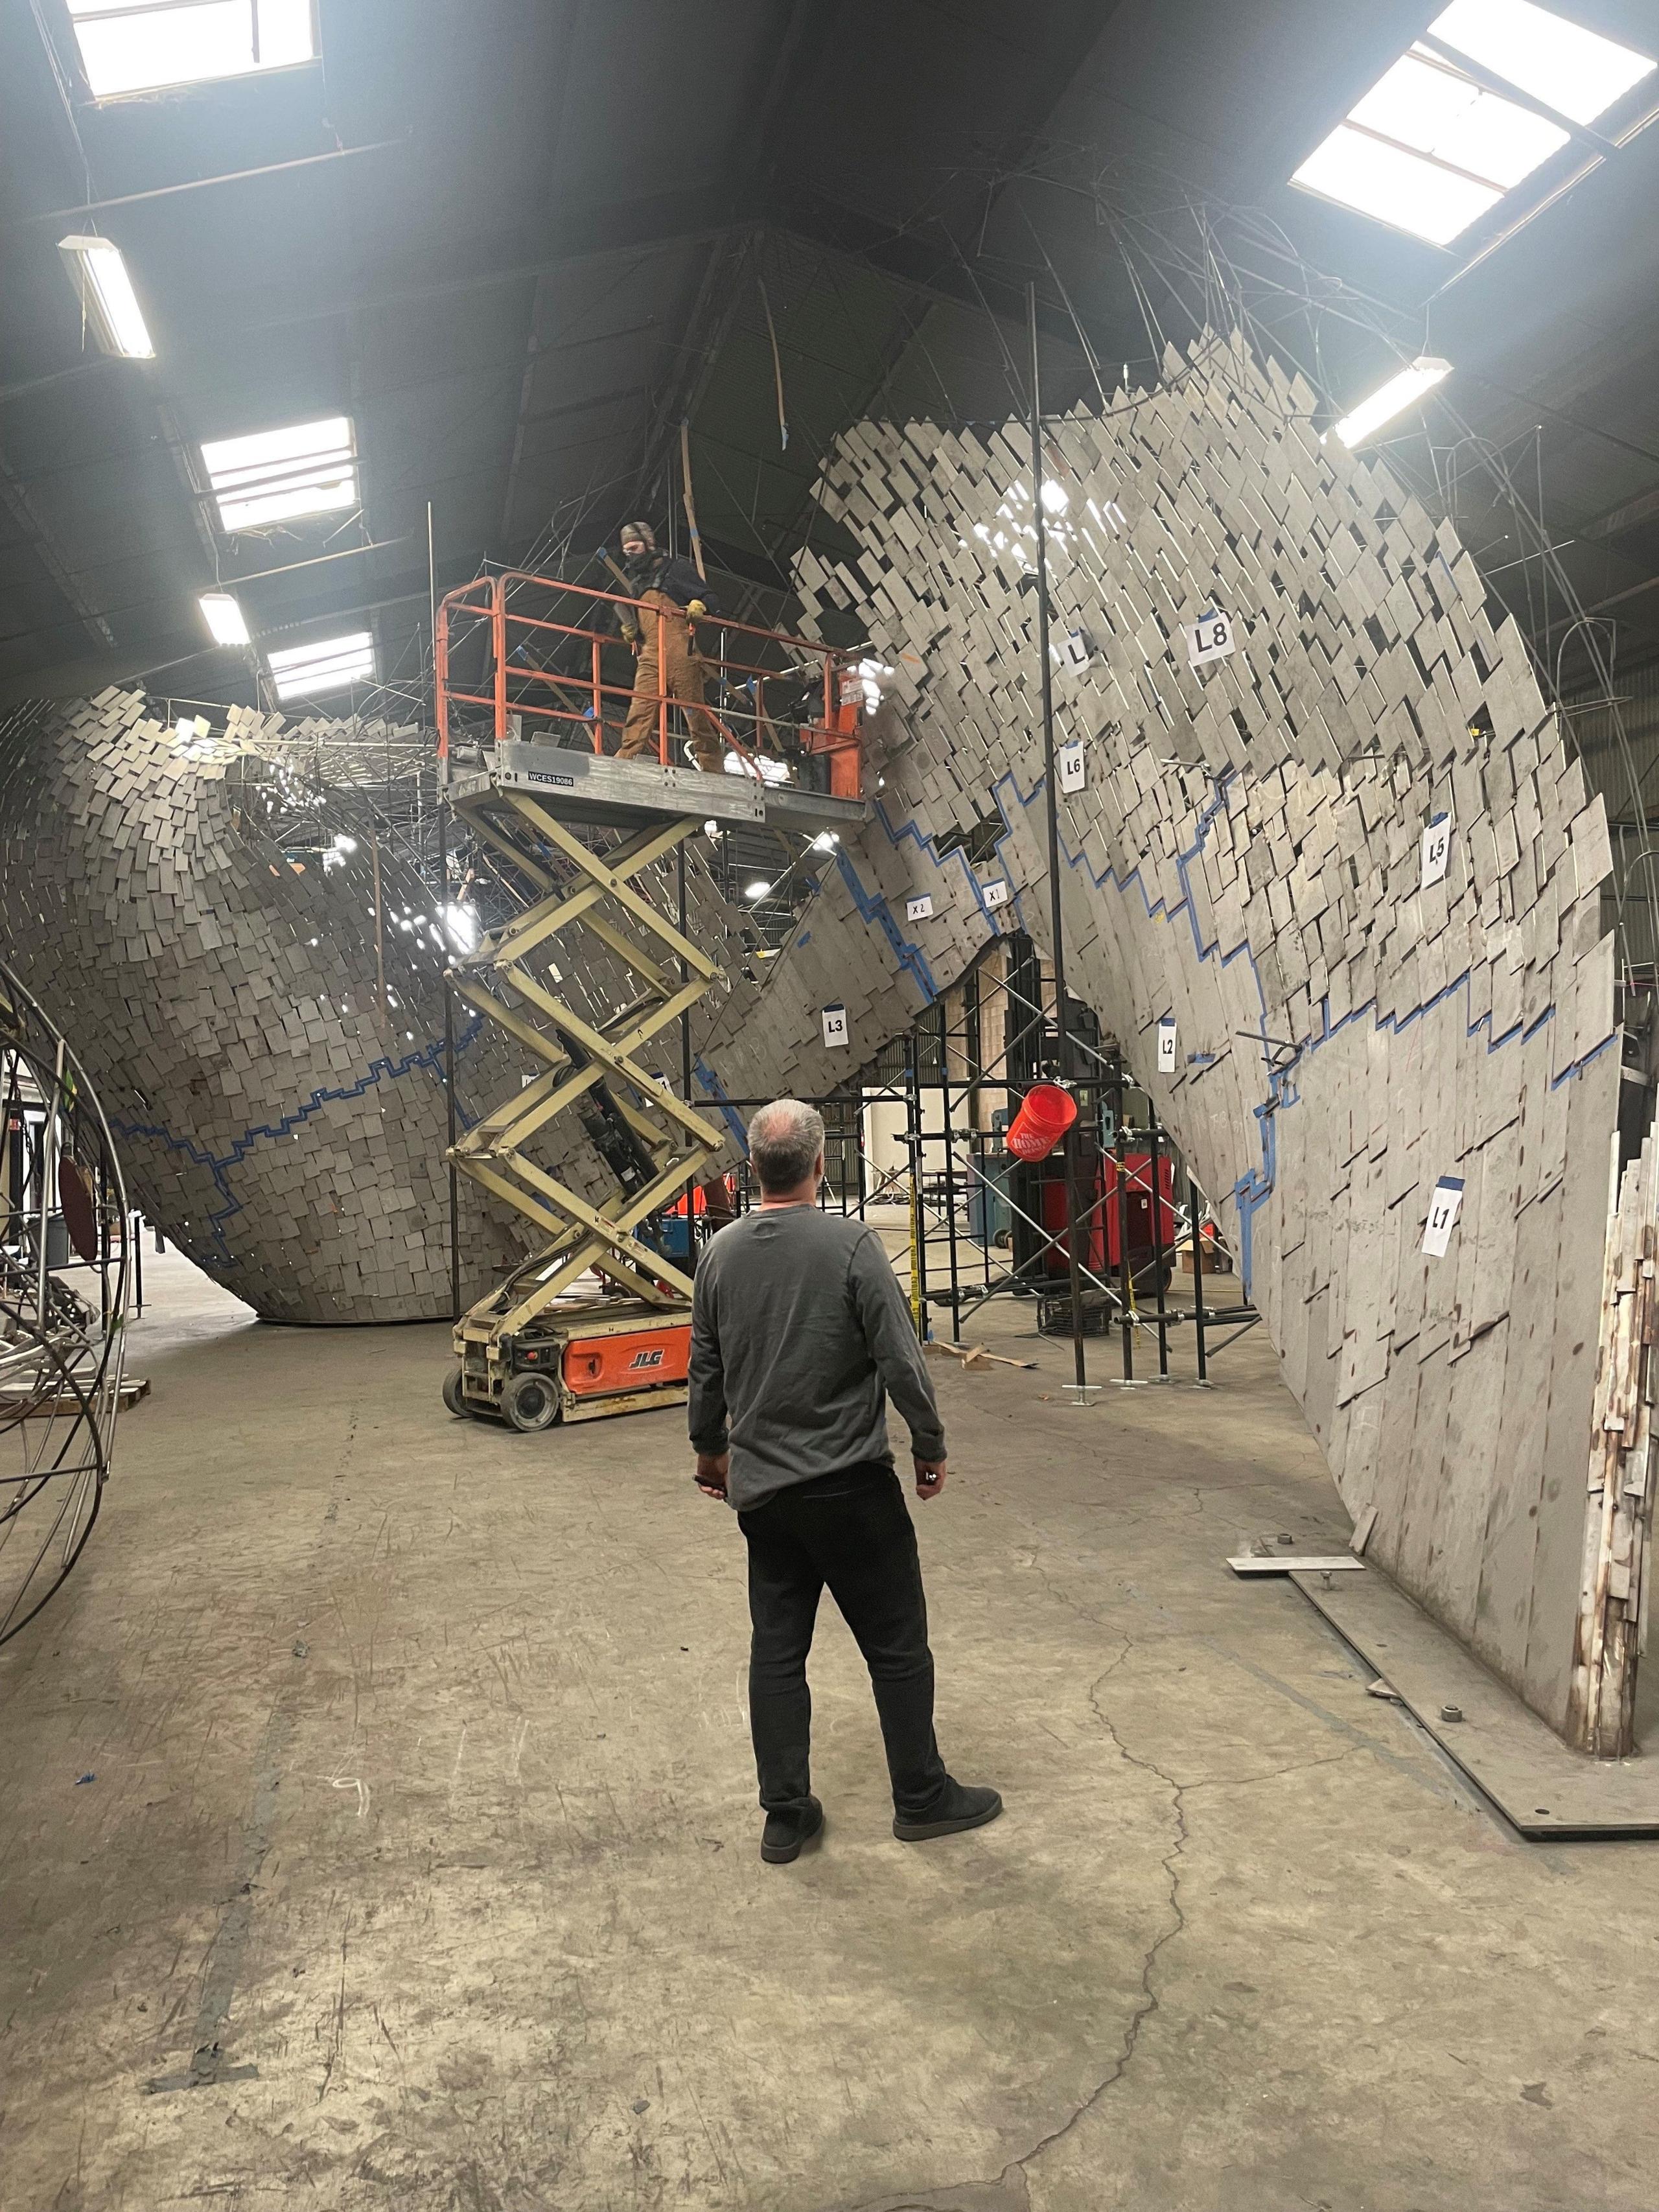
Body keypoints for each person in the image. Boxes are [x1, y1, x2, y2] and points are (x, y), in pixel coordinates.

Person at [688, 1097, 1003, 1865]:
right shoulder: (853, 1246)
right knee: (896, 1645)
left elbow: (706, 1367)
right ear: (821, 1164)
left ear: (753, 1168)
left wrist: (709, 1451)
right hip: (852, 1488)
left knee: (777, 1649)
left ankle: (785, 1814)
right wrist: (929, 1443)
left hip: (765, 1495)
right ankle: (922, 1797)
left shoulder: (719, 1255)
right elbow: (901, 1358)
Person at [614, 519, 725, 772]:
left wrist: (701, 605)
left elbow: (711, 598)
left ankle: (713, 766)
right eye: (627, 551)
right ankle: (624, 761)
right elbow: (640, 625)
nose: (630, 555)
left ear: (649, 544)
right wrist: (632, 631)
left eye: (635, 548)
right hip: (650, 654)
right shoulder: (637, 585)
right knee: (640, 709)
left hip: (680, 650)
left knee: (694, 712)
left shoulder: (676, 570)